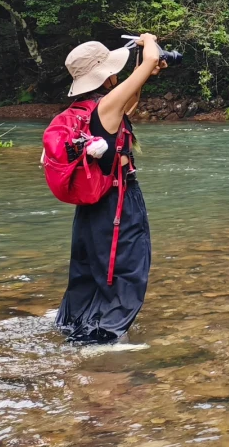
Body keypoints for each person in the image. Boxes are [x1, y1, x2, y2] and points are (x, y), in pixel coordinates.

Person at [55, 33, 165, 344]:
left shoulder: (85, 110)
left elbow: (127, 104)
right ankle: (100, 339)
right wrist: (149, 42)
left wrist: (141, 76)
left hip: (91, 205)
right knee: (127, 271)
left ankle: (74, 325)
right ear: (106, 76)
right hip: (117, 202)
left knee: (88, 272)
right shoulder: (106, 107)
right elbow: (152, 59)